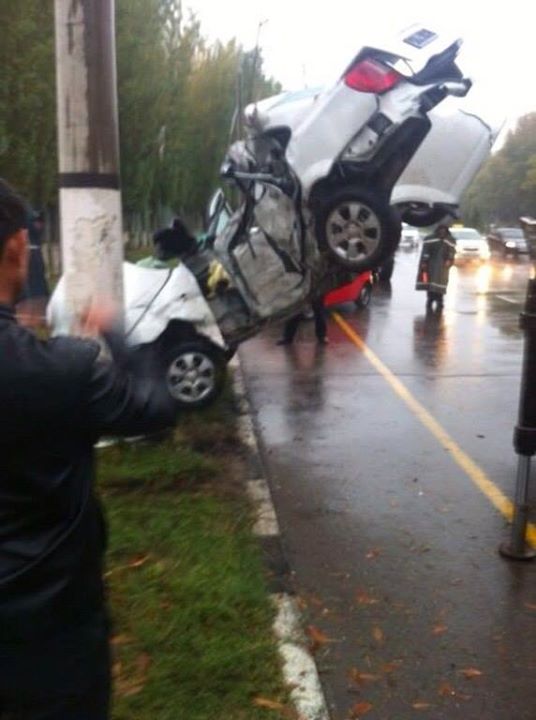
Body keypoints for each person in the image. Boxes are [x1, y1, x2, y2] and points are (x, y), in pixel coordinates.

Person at [0, 179, 176, 719]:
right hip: (49, 632)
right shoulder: (64, 371)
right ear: (14, 249)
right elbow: (156, 410)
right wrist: (118, 334)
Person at [415, 223, 456, 311]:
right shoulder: (430, 239)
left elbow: (452, 252)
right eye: (441, 229)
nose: (442, 232)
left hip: (443, 267)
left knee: (441, 284)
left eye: (444, 230)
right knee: (428, 282)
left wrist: (449, 259)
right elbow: (426, 251)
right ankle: (430, 300)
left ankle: (439, 300)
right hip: (430, 266)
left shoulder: (450, 240)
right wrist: (425, 262)